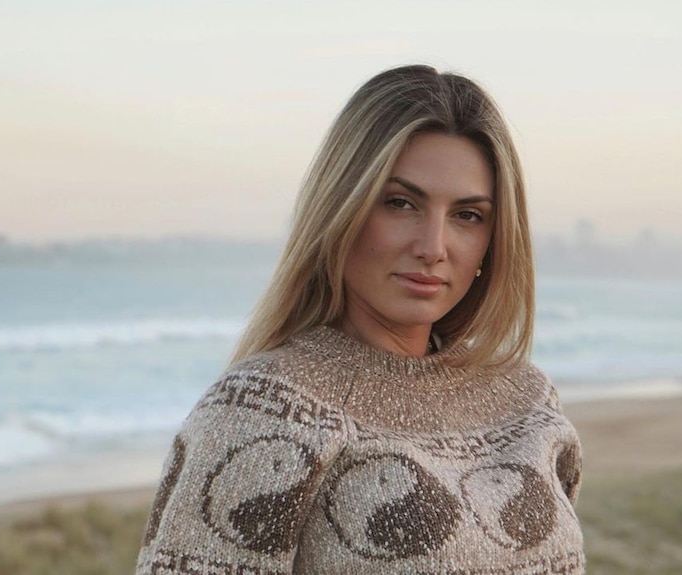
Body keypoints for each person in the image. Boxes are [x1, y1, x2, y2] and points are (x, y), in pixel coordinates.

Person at [136, 65, 584, 575]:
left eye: (467, 215)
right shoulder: (260, 412)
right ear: (341, 210)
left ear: (492, 239)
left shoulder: (528, 400)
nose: (433, 247)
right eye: (400, 203)